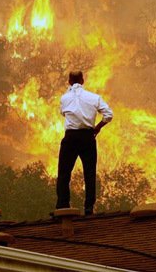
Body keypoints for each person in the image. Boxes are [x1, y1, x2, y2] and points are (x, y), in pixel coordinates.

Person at [55, 71, 113, 215]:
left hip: (71, 137)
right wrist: (98, 128)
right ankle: (88, 208)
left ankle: (63, 206)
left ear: (69, 81)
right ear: (82, 80)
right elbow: (108, 115)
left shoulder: (64, 98)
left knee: (64, 173)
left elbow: (63, 113)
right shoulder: (94, 97)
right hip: (88, 137)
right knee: (89, 173)